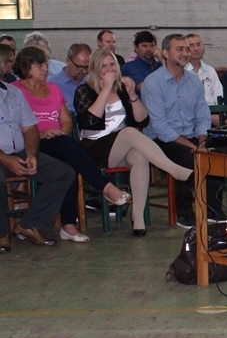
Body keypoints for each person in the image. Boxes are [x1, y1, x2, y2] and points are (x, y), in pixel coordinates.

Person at [12, 47, 132, 242]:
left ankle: (68, 225)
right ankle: (103, 187)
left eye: (45, 64)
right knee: (68, 150)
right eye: (40, 65)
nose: (45, 69)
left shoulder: (53, 89)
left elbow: (66, 120)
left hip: (58, 142)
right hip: (32, 143)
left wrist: (61, 132)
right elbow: (12, 127)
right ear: (26, 67)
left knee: (69, 164)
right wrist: (41, 134)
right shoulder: (15, 91)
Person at [75, 48, 194, 237]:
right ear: (95, 69)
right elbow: (90, 121)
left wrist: (132, 96)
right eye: (104, 66)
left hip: (120, 146)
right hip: (93, 148)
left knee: (139, 156)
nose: (109, 69)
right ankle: (175, 170)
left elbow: (143, 121)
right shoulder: (84, 91)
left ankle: (138, 217)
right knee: (129, 132)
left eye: (112, 65)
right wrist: (105, 89)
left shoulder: (121, 89)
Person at [142, 33, 219, 228]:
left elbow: (203, 116)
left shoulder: (194, 82)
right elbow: (159, 126)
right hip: (160, 139)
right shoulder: (153, 82)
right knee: (186, 158)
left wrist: (202, 141)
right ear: (166, 53)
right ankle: (183, 212)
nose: (185, 53)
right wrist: (192, 146)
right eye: (179, 49)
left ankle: (212, 208)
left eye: (187, 49)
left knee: (219, 154)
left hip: (190, 136)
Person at [0, 77, 76, 252]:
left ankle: (29, 225)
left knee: (63, 173)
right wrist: (5, 159)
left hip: (19, 152)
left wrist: (31, 154)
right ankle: (1, 234)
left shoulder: (13, 92)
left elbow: (30, 128)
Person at [48, 43, 94, 108]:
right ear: (68, 61)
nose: (84, 71)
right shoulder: (51, 84)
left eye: (87, 67)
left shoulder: (92, 83)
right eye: (80, 67)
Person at [184, 33, 224, 107]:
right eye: (191, 46)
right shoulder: (182, 71)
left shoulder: (210, 71)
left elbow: (218, 94)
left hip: (212, 110)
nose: (196, 49)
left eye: (198, 44)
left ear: (203, 47)